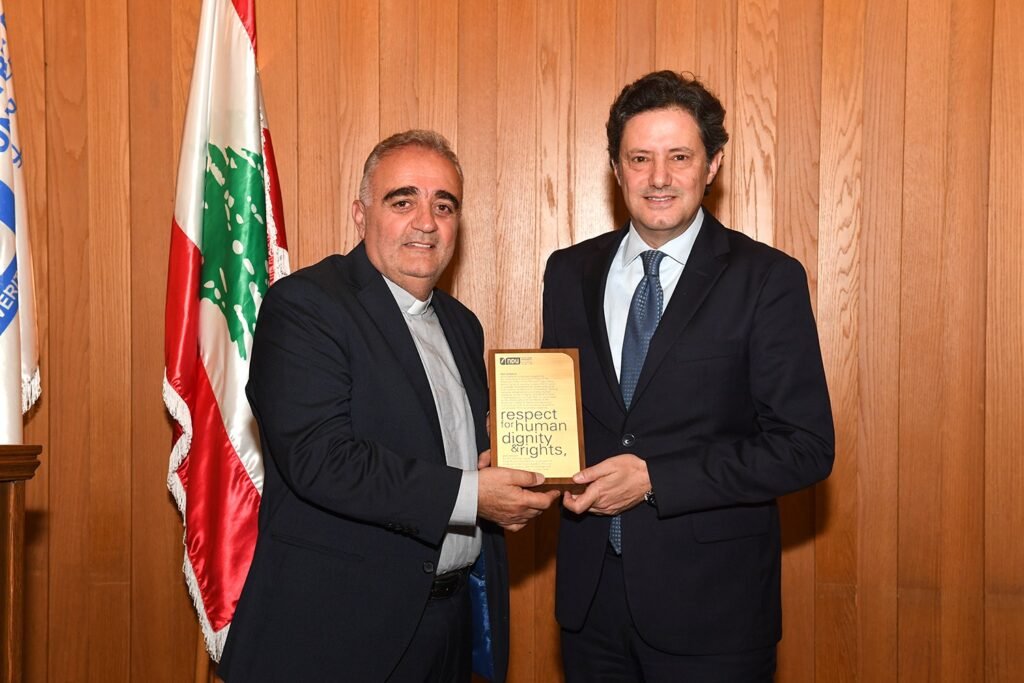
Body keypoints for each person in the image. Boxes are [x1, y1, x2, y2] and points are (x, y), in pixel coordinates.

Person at [219, 129, 559, 682]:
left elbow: (442, 452)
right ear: (361, 214)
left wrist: (506, 466)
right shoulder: (305, 306)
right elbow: (321, 459)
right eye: (403, 201)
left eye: (443, 206)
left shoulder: (461, 324)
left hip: (448, 628)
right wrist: (473, 494)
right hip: (337, 637)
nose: (426, 222)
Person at [542, 71, 835, 682]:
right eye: (639, 158)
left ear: (712, 165)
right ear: (616, 168)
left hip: (714, 614)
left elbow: (804, 448)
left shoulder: (766, 279)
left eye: (679, 157)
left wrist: (655, 479)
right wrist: (521, 445)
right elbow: (562, 413)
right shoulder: (568, 273)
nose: (659, 177)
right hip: (591, 609)